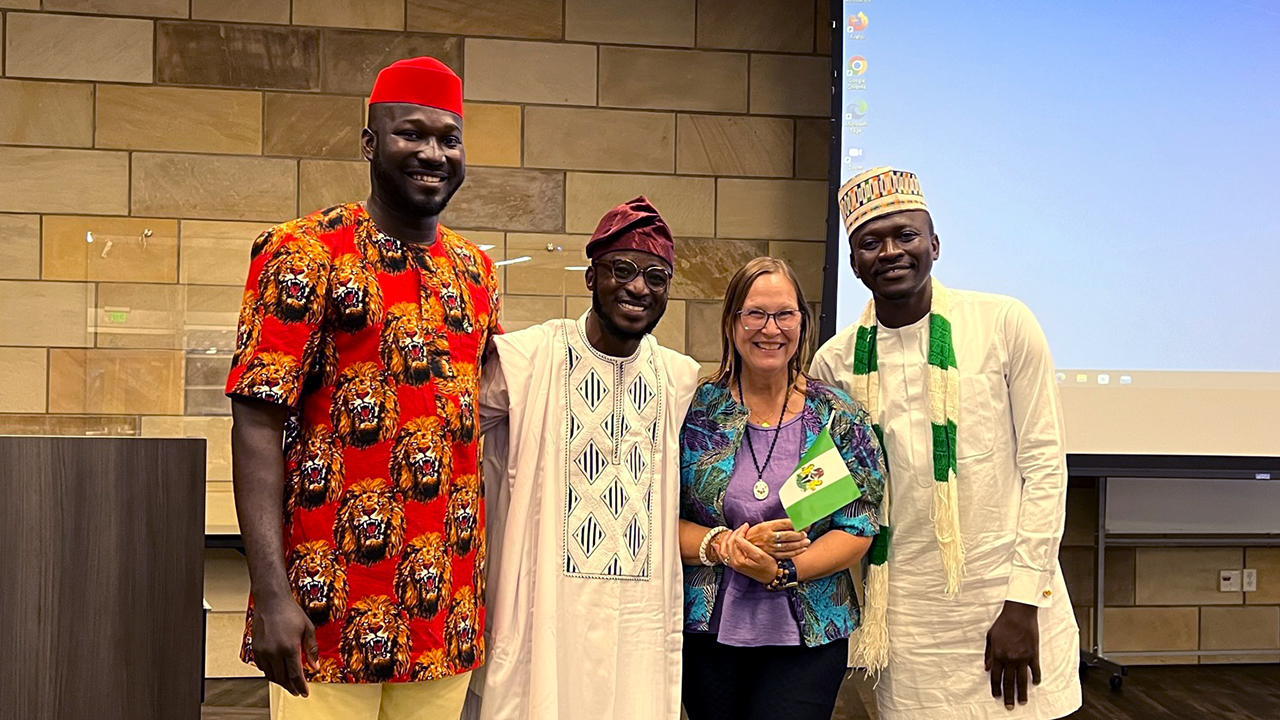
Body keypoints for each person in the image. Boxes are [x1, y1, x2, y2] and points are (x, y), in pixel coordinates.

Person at [225, 56, 499, 720]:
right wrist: (271, 594)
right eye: (412, 133)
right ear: (371, 143)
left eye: (448, 138)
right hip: (325, 604)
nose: (433, 152)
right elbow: (255, 424)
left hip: (445, 608)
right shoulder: (305, 252)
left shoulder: (477, 272)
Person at [811, 167, 1082, 719]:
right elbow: (830, 489)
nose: (890, 252)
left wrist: (1023, 601)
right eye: (870, 242)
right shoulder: (835, 363)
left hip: (1006, 595)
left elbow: (1045, 467)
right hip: (909, 617)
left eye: (905, 235)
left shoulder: (1004, 323)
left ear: (934, 243)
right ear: (854, 261)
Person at [466, 197, 701, 720]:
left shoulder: (679, 378)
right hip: (543, 612)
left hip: (639, 619)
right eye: (623, 270)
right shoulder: (528, 360)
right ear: (591, 274)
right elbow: (446, 432)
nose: (639, 287)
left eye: (656, 277)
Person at [678, 257, 886, 720]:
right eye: (754, 313)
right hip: (707, 635)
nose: (769, 329)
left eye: (784, 314)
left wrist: (782, 571)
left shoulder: (836, 417)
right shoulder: (693, 413)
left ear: (802, 322)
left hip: (808, 637)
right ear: (732, 323)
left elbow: (859, 526)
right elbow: (658, 518)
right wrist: (726, 547)